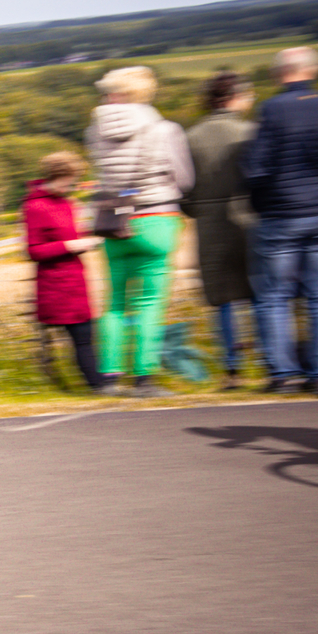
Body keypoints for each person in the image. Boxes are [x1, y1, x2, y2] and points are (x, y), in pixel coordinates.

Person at [242, 45, 318, 394]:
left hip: (279, 215)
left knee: (274, 296)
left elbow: (255, 168)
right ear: (315, 69)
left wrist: (262, 206)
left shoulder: (272, 109)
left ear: (280, 73)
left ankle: (283, 373)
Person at [84, 65, 194, 390]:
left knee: (114, 302)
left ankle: (109, 377)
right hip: (156, 220)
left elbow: (104, 174)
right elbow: (186, 180)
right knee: (148, 302)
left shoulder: (95, 131)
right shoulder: (165, 129)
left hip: (114, 222)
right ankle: (144, 377)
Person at [181, 69, 258, 387]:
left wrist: (198, 210)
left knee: (222, 300)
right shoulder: (252, 132)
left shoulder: (191, 137)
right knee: (260, 293)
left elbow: (183, 191)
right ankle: (272, 362)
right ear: (235, 96)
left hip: (210, 225)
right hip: (250, 221)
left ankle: (232, 369)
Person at [22, 150, 105, 391]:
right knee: (82, 337)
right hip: (56, 285)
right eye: (69, 180)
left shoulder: (69, 204)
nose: (72, 185)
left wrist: (89, 239)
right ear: (57, 176)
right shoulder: (35, 206)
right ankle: (97, 385)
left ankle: (98, 383)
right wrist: (71, 245)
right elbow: (34, 250)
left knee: (87, 336)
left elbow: (72, 235)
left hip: (75, 280)